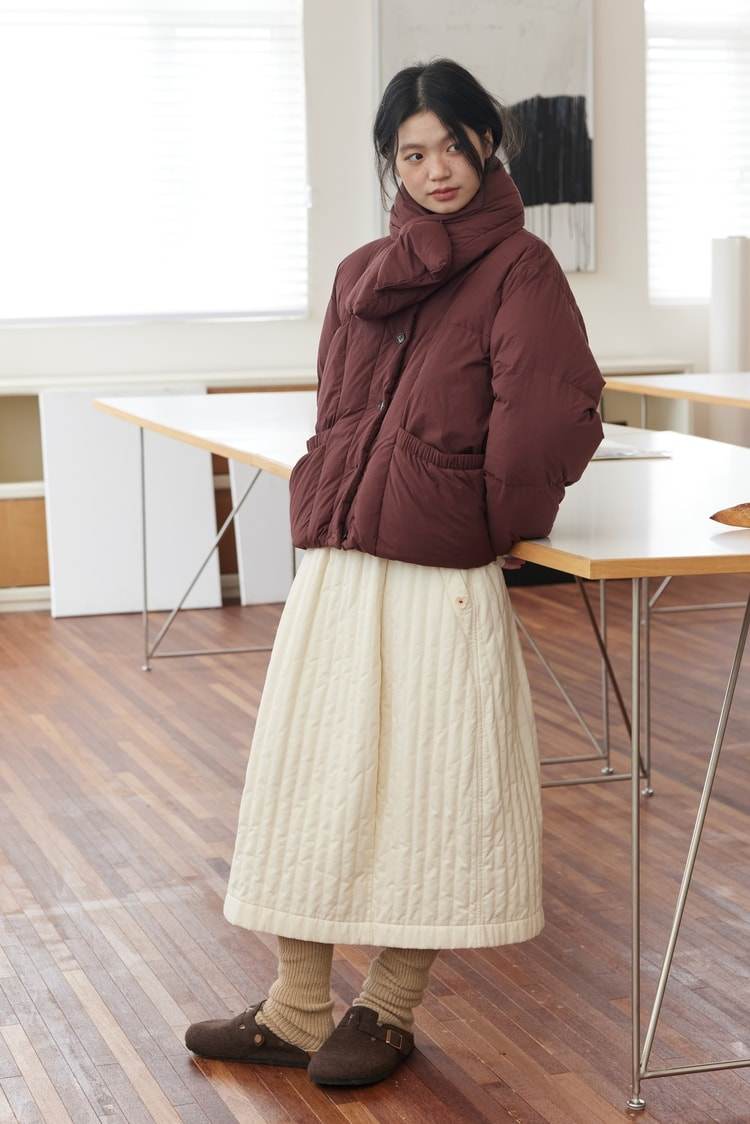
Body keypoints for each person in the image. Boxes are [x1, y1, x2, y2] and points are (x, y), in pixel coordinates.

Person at [185, 56, 604, 1088]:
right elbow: (337, 404)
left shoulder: (522, 269)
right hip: (342, 557)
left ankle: (389, 1006)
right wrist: (330, 491)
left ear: (487, 143)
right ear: (391, 162)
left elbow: (550, 412)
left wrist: (499, 523)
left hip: (437, 566)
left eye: (452, 146)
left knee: (429, 783)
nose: (436, 170)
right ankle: (295, 1007)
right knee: (311, 774)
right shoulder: (363, 272)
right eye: (412, 154)